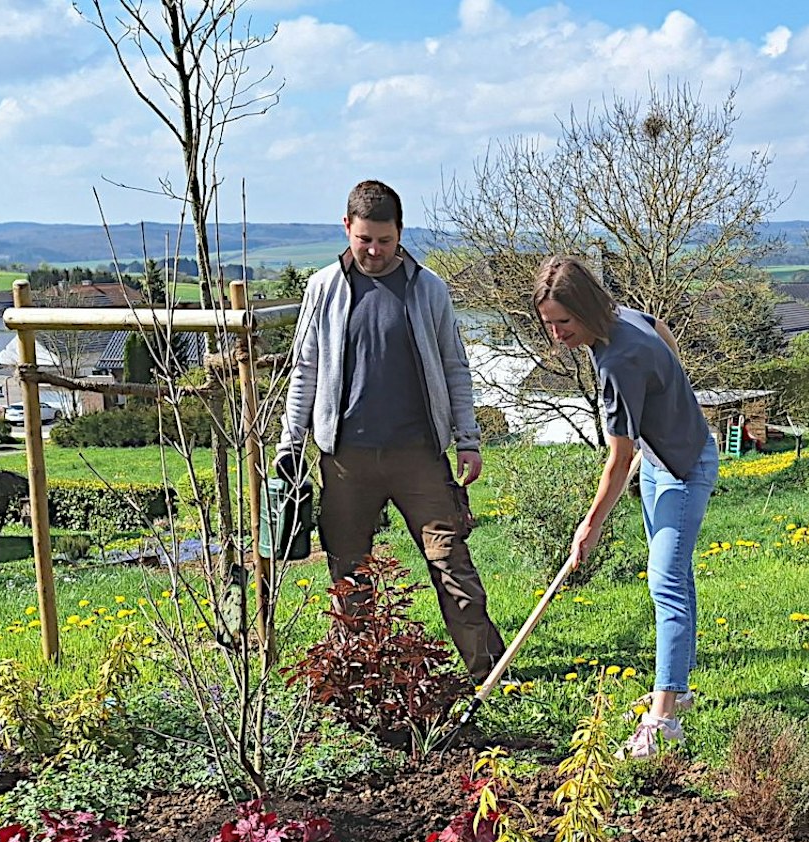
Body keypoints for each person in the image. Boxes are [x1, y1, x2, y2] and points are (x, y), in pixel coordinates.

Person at [277, 179, 506, 681]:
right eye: (364, 240)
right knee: (348, 571)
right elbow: (305, 369)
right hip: (344, 459)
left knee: (451, 562)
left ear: (400, 233)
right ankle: (360, 676)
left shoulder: (429, 290)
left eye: (384, 240)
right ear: (347, 229)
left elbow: (454, 367)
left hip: (420, 455)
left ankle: (488, 671)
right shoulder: (322, 289)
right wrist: (290, 442)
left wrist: (467, 440)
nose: (375, 251)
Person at [532, 255, 717, 758]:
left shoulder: (617, 361)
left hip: (682, 468)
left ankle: (663, 721)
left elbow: (617, 460)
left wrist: (588, 527)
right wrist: (673, 400)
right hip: (663, 460)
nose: (556, 334)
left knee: (666, 583)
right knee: (674, 578)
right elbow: (662, 329)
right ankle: (676, 689)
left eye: (564, 322)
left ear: (586, 310)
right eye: (548, 323)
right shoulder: (624, 320)